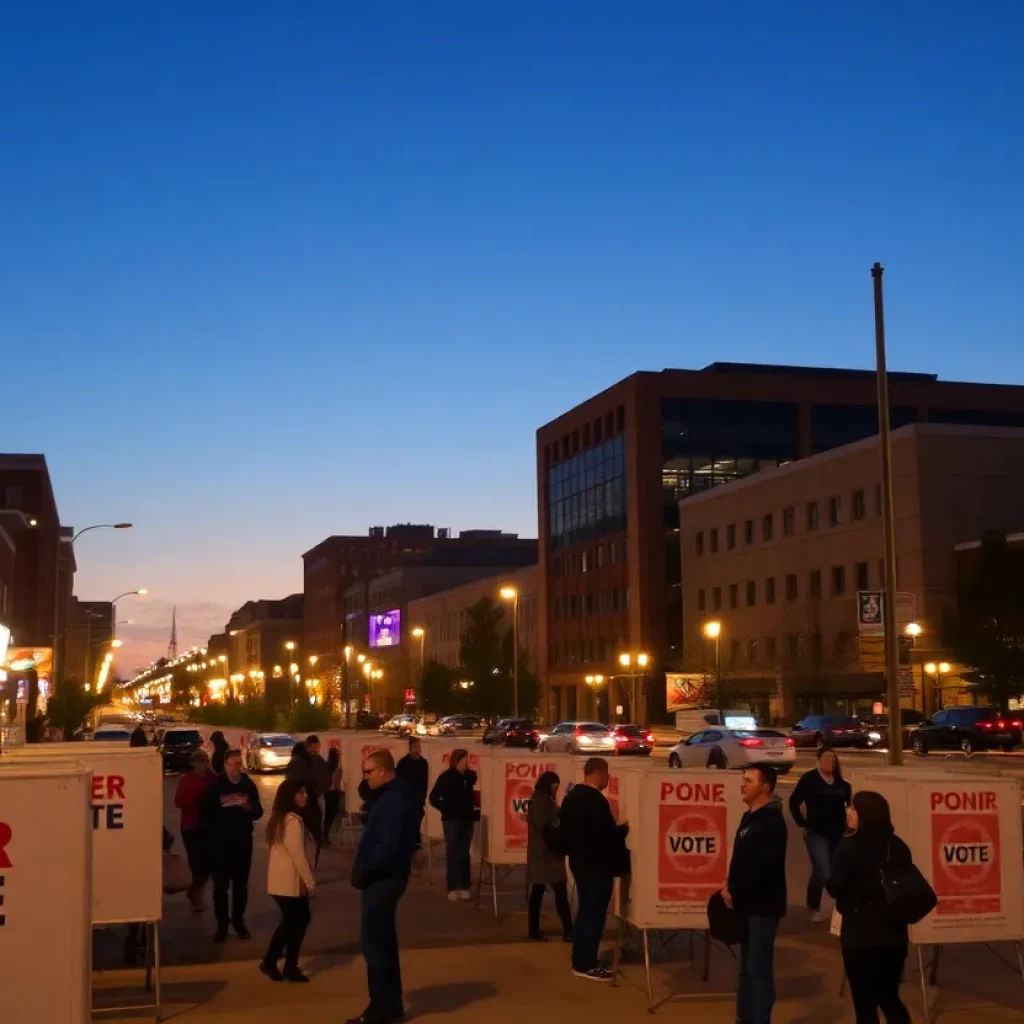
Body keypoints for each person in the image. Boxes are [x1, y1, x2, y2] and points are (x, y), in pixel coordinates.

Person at [826, 791, 913, 1024]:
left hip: (860, 936)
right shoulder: (898, 846)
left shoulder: (849, 847)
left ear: (864, 814)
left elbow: (835, 887)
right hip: (894, 936)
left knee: (864, 1004)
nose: (848, 812)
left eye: (852, 808)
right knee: (889, 997)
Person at [349, 749, 419, 1024]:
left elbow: (387, 845)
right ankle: (390, 1005)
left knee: (375, 945)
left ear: (383, 771)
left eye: (368, 772)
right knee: (384, 943)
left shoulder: (392, 801)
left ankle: (381, 1007)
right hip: (388, 877)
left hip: (383, 879)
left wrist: (365, 870)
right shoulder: (395, 796)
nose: (365, 778)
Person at [721, 766, 787, 1024]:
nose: (743, 784)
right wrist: (729, 884)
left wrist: (736, 888)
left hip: (763, 908)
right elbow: (742, 861)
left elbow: (764, 867)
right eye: (743, 779)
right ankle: (743, 1018)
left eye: (749, 780)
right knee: (746, 970)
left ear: (766, 787)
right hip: (745, 905)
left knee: (758, 971)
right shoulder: (749, 817)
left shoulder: (771, 821)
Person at [559, 757, 628, 981]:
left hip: (579, 863)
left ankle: (580, 959)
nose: (608, 779)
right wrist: (623, 829)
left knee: (585, 911)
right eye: (607, 774)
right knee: (594, 914)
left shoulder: (570, 798)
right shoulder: (596, 801)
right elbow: (605, 835)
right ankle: (586, 963)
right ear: (597, 773)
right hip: (597, 866)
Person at [201, 748, 264, 942]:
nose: (239, 767)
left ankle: (238, 921)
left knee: (241, 885)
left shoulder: (247, 785)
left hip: (243, 843)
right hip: (220, 845)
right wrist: (210, 841)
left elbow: (259, 812)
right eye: (235, 764)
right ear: (226, 765)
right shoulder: (216, 787)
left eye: (240, 763)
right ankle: (222, 924)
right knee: (220, 887)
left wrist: (249, 808)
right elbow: (205, 816)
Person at [261, 779, 316, 983]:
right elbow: (298, 855)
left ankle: (289, 965)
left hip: (283, 883)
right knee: (294, 922)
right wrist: (310, 882)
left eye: (305, 792)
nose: (305, 796)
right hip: (289, 884)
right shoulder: (292, 821)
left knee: (297, 921)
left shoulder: (281, 819)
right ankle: (272, 961)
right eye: (300, 793)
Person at [789, 747, 851, 921]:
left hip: (838, 834)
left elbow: (849, 806)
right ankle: (814, 906)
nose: (829, 762)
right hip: (816, 833)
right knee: (824, 871)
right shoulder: (809, 780)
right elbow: (794, 801)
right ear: (818, 760)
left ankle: (833, 908)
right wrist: (802, 822)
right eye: (826, 758)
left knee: (826, 871)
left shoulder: (842, 784)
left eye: (832, 759)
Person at [526, 770, 573, 942]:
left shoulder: (540, 799)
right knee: (559, 892)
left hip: (542, 854)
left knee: (539, 892)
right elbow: (543, 823)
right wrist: (558, 812)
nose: (556, 789)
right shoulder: (542, 802)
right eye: (555, 786)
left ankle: (535, 930)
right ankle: (568, 930)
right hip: (547, 854)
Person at [428, 748, 477, 900]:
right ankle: (453, 886)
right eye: (463, 760)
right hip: (451, 820)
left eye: (467, 759)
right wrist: (446, 809)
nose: (466, 762)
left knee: (464, 853)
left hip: (467, 820)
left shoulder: (470, 776)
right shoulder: (446, 777)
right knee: (453, 852)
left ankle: (464, 885)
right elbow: (433, 797)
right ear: (456, 761)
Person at [174, 749, 215, 911]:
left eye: (204, 761)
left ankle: (196, 890)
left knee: (209, 863)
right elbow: (179, 802)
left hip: (210, 826)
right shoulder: (187, 780)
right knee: (197, 862)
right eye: (199, 762)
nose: (202, 765)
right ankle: (196, 896)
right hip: (192, 827)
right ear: (193, 763)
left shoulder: (213, 778)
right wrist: (199, 798)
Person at [396, 737, 429, 849]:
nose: (417, 750)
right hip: (406, 798)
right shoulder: (403, 763)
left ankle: (415, 841)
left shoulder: (424, 763)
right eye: (414, 747)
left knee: (417, 820)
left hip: (418, 799)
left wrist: (423, 797)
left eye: (418, 747)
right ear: (410, 749)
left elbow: (426, 782)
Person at [322, 746, 343, 845]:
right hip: (334, 792)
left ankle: (325, 833)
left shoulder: (326, 766)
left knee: (328, 814)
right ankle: (325, 833)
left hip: (327, 792)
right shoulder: (337, 768)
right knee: (332, 813)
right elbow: (337, 783)